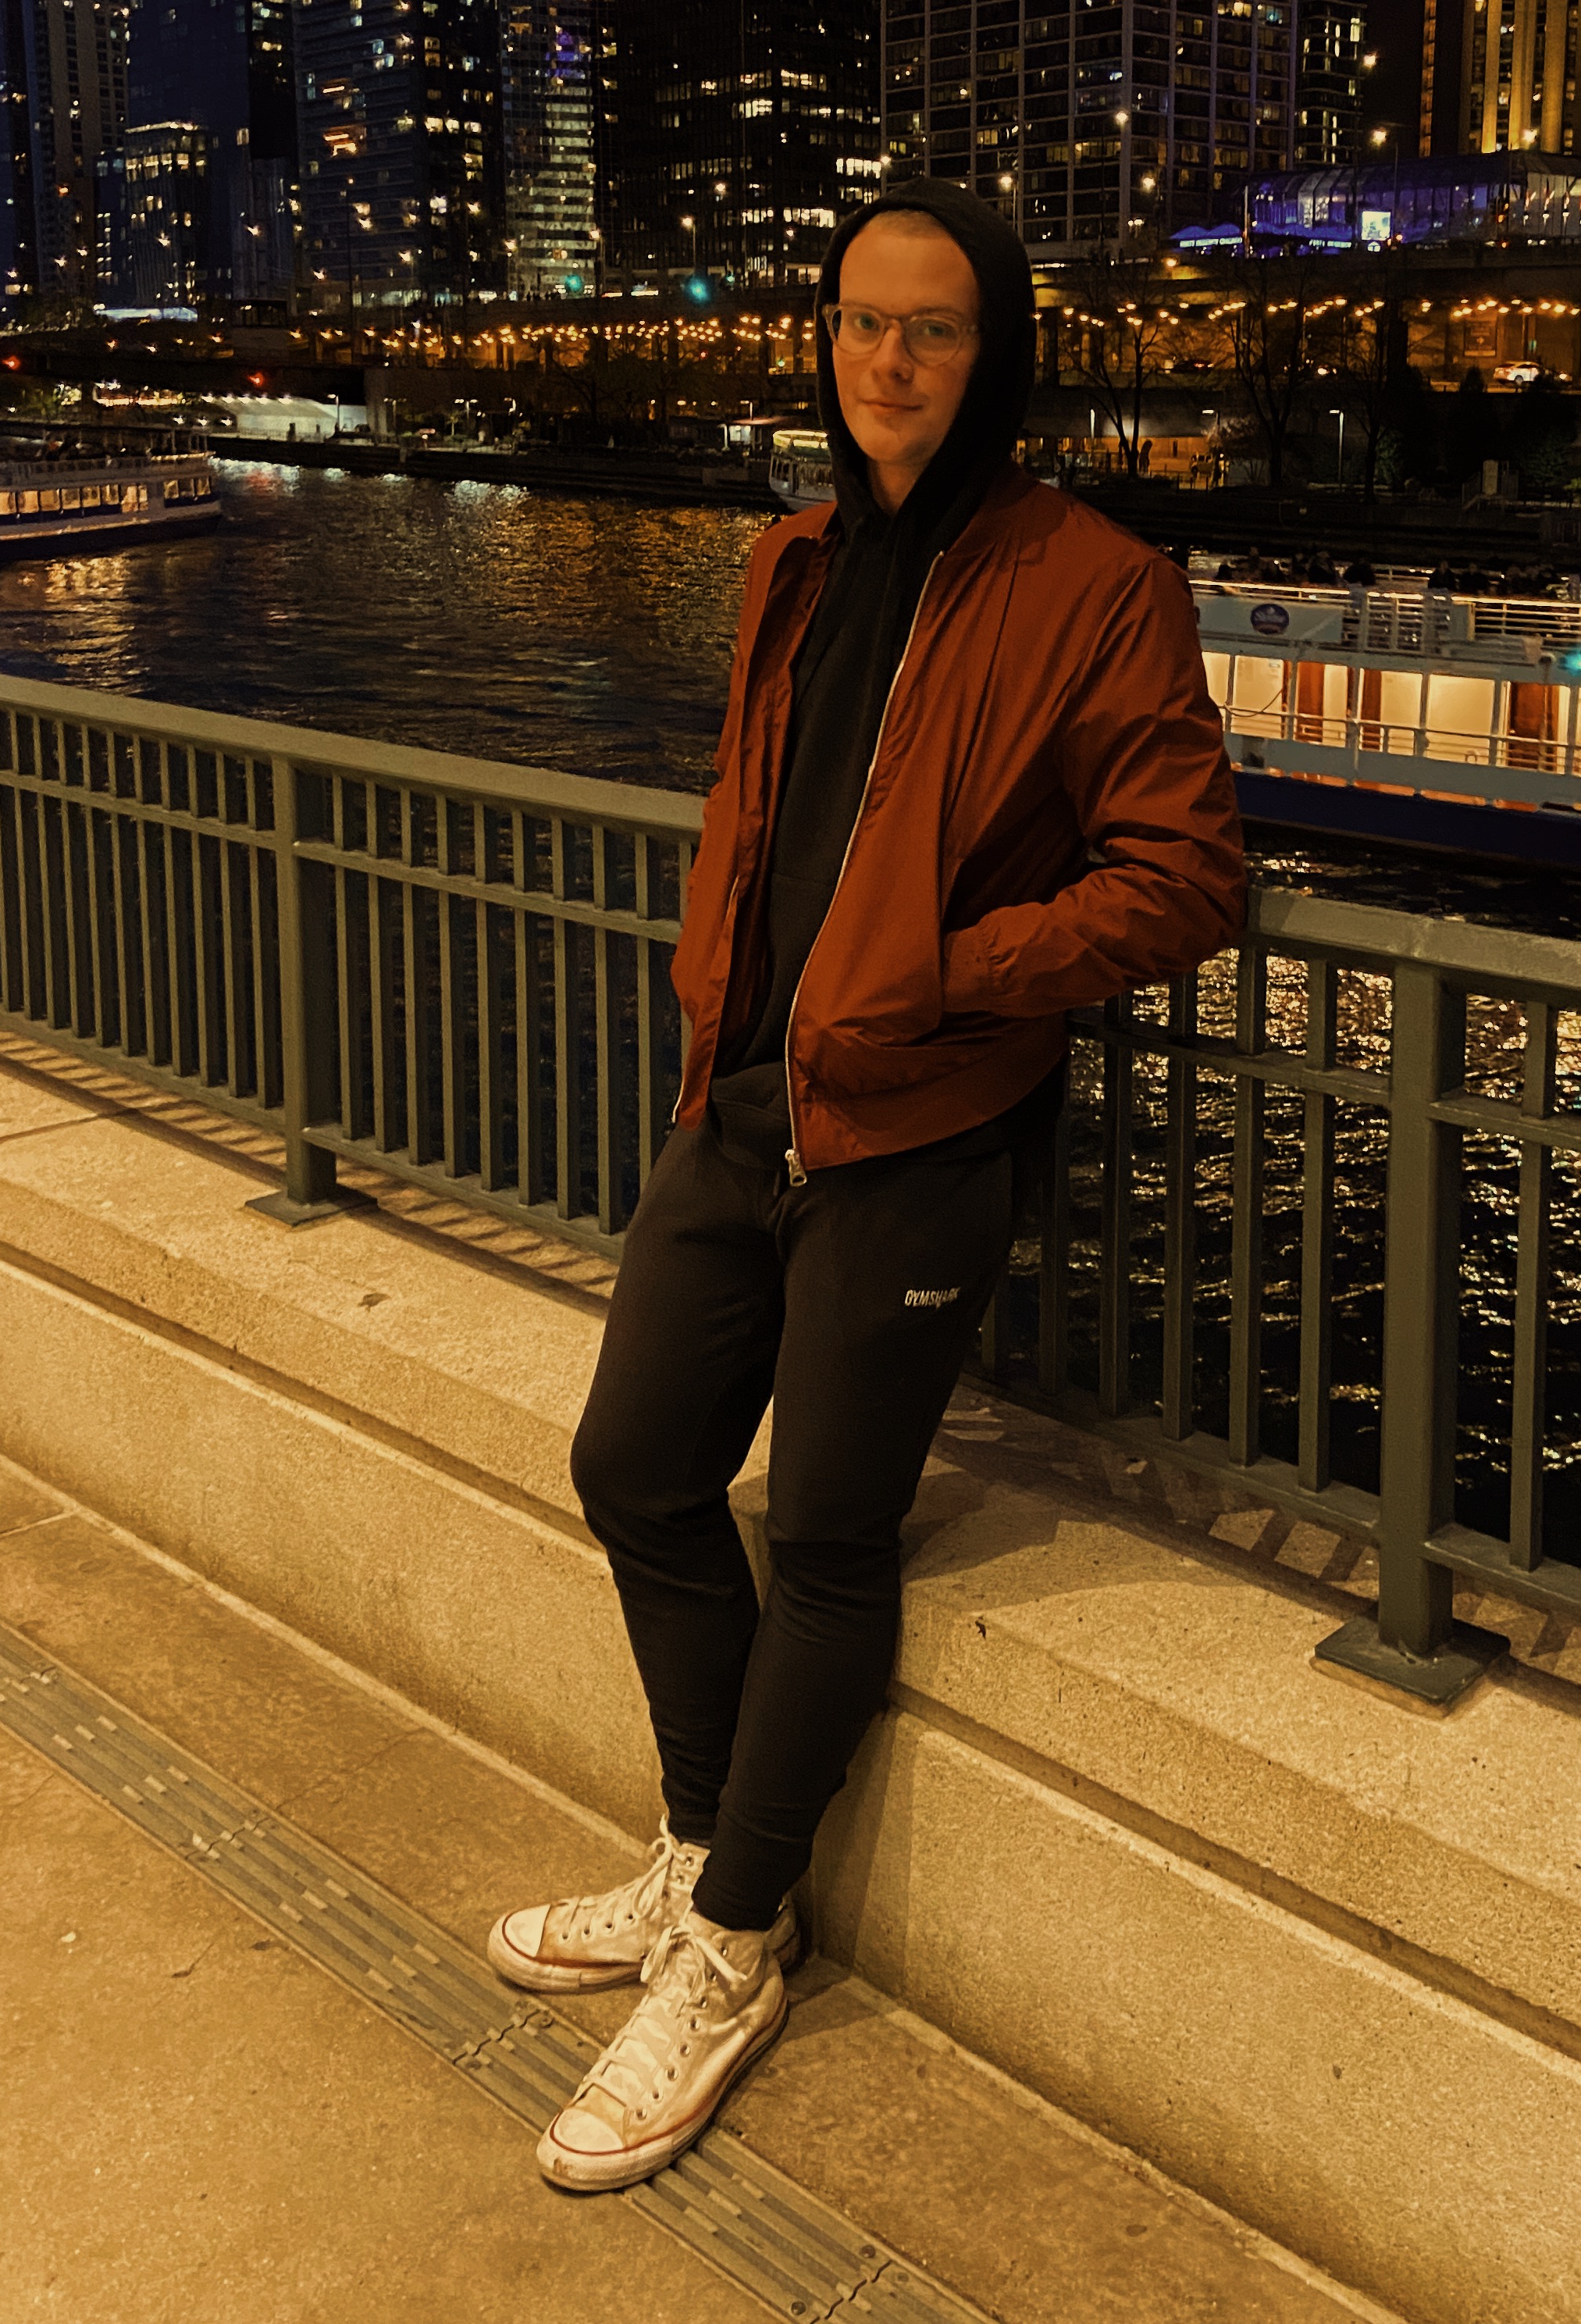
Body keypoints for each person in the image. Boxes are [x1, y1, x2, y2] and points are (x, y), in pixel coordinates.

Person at [487, 180, 1248, 2193]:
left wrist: (946, 977)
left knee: (824, 1537)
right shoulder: (796, 561)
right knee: (635, 1463)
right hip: (744, 1100)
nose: (887, 361)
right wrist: (716, 1000)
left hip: (919, 1135)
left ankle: (733, 1945)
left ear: (992, 358)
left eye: (932, 329)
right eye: (857, 322)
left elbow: (1186, 878)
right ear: (821, 341)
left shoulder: (1098, 580)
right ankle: (699, 1859)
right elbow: (763, 807)